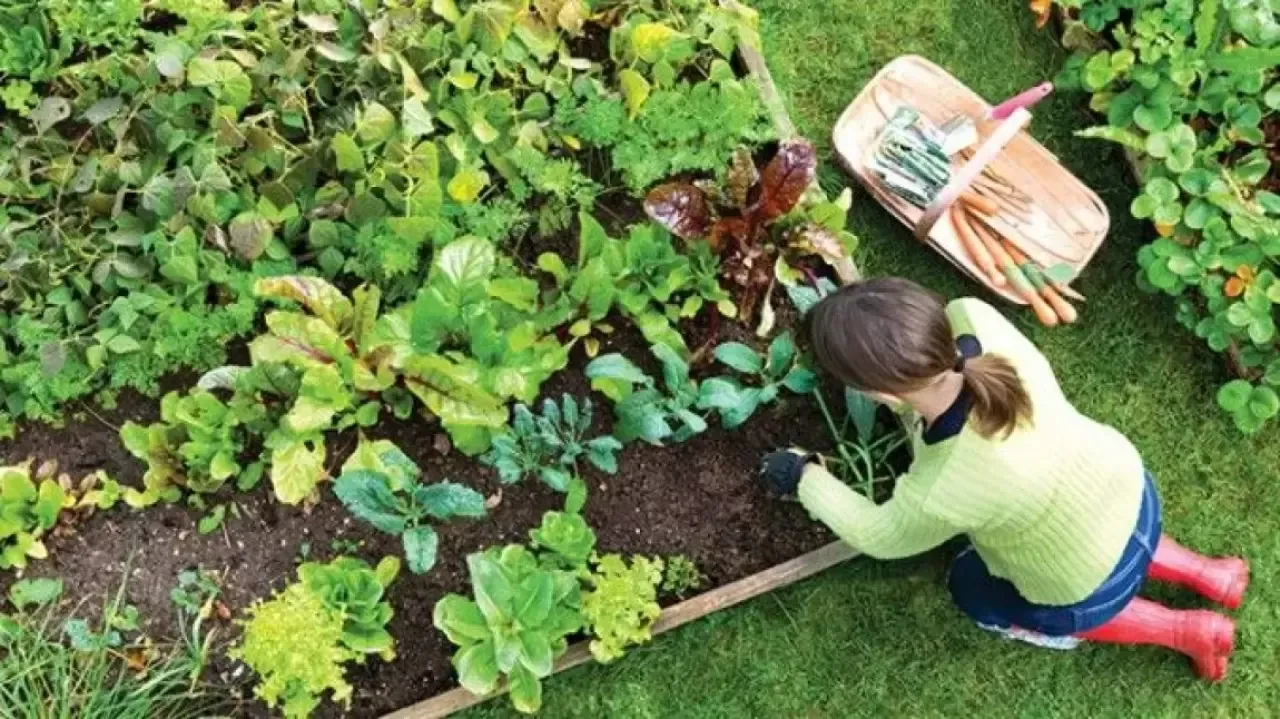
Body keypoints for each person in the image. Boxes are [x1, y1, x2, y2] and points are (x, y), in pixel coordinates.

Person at [760, 277, 1249, 681]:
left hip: (1082, 580)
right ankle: (1212, 574)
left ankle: (1187, 631)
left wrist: (804, 476)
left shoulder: (944, 486)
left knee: (971, 589)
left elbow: (879, 535)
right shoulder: (975, 319)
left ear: (882, 394)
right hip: (1127, 488)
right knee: (1108, 531)